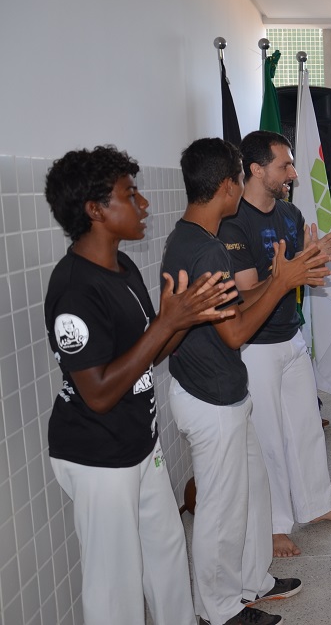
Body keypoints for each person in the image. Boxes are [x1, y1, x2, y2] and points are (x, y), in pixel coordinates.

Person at [43, 145, 236, 625]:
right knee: (115, 587)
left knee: (167, 557)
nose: (144, 204)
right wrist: (167, 322)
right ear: (95, 210)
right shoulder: (75, 290)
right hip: (98, 456)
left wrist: (187, 318)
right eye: (131, 194)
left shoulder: (122, 267)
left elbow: (149, 353)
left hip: (139, 444)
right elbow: (98, 393)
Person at [162, 137, 330, 625]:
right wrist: (283, 283)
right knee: (221, 509)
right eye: (238, 179)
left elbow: (235, 308)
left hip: (227, 392)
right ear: (227, 186)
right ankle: (218, 610)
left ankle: (253, 581)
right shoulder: (203, 250)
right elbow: (235, 333)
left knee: (254, 492)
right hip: (209, 397)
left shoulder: (199, 239)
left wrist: (281, 278)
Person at [219, 130, 331, 559]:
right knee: (269, 437)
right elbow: (245, 294)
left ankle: (317, 505)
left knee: (305, 426)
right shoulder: (233, 222)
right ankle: (276, 525)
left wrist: (316, 258)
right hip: (255, 346)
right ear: (256, 169)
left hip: (290, 335)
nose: (294, 173)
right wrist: (294, 269)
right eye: (285, 165)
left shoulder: (290, 213)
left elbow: (304, 276)